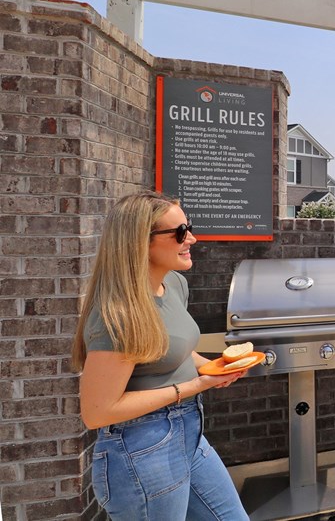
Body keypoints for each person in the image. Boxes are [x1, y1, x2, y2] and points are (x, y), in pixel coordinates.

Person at [71, 191, 251, 520]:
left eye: (189, 227)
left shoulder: (175, 285)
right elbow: (98, 412)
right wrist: (196, 385)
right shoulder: (118, 314)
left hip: (189, 435)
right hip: (141, 451)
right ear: (140, 241)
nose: (192, 238)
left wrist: (217, 367)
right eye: (180, 232)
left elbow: (173, 350)